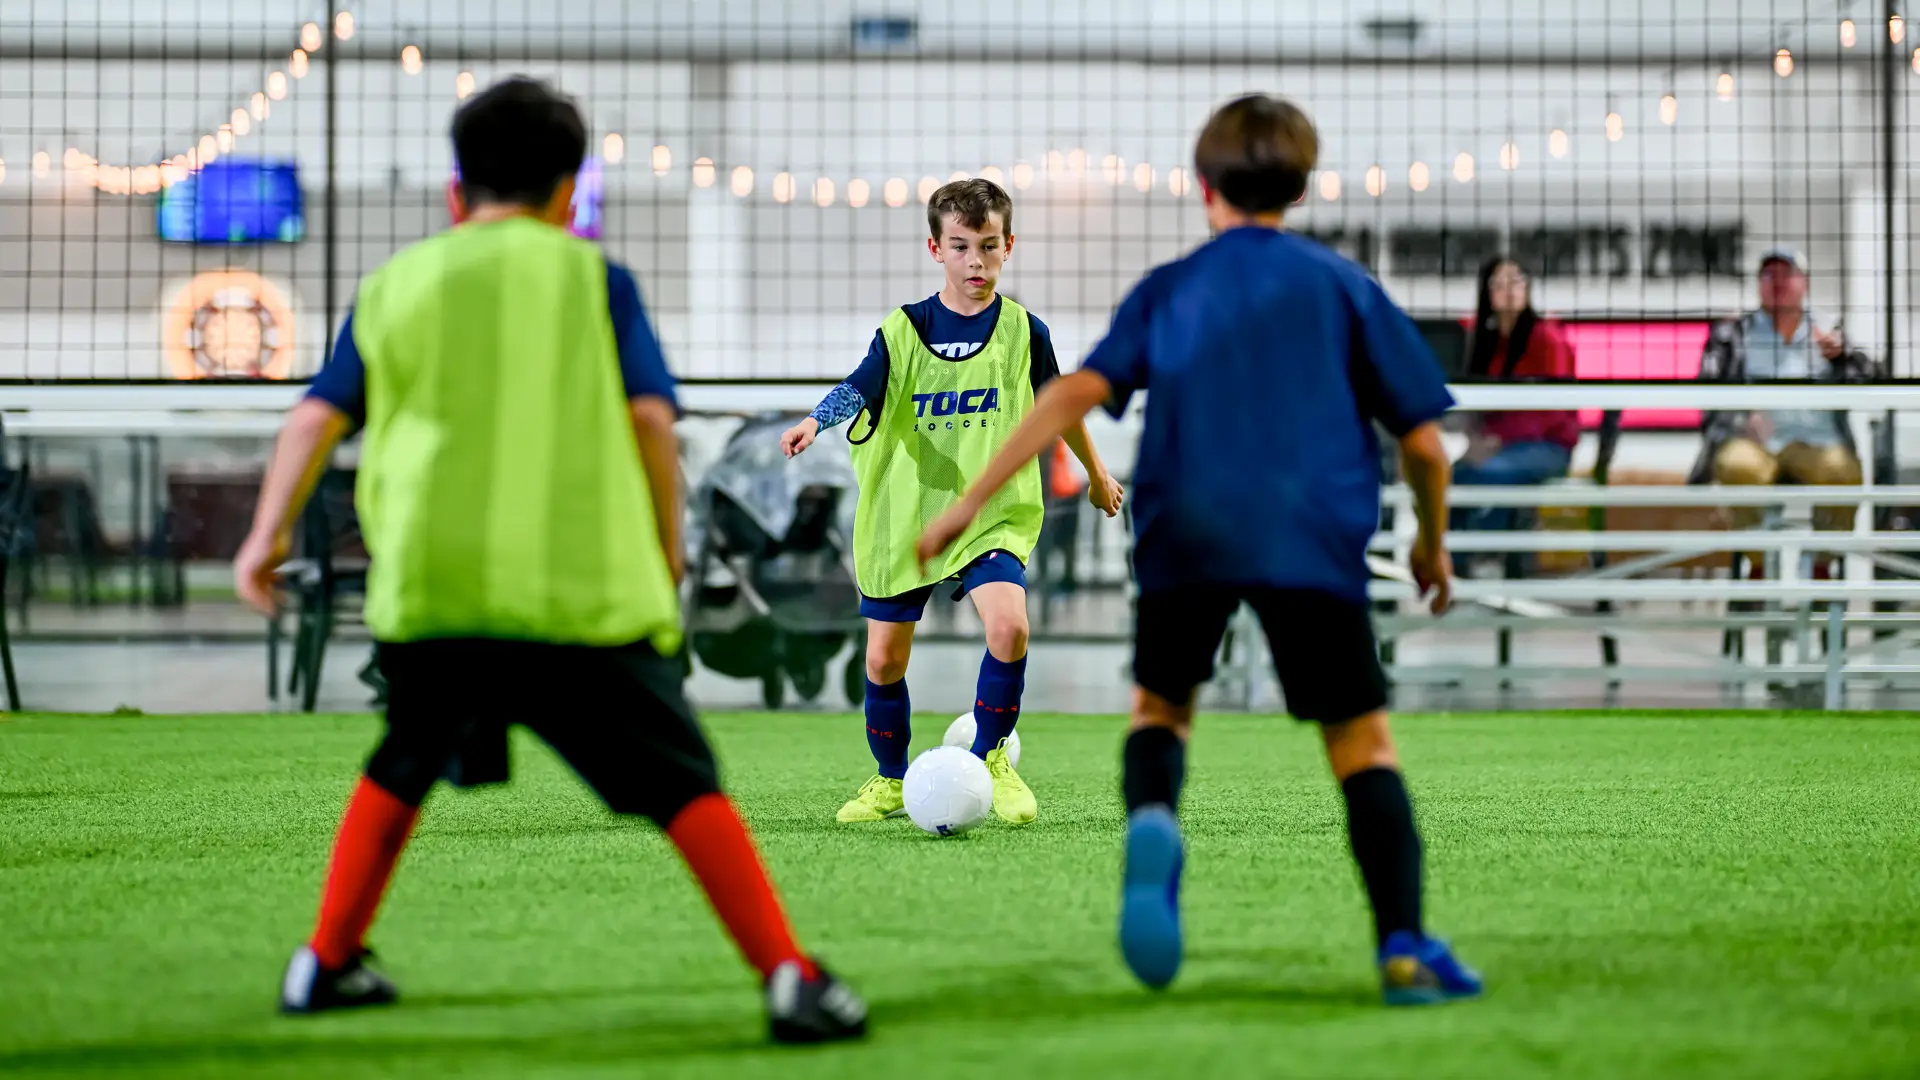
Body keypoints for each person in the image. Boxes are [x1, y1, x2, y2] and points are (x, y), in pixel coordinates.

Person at [233, 77, 865, 1044]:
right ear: (570, 193)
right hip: (579, 598)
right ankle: (787, 976)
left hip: (435, 595)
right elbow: (651, 419)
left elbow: (315, 414)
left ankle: (319, 964)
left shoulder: (395, 284)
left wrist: (265, 534)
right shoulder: (595, 281)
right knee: (682, 778)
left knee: (402, 763)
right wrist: (668, 548)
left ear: (456, 193)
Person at [915, 95, 1481, 1004]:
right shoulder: (1343, 287)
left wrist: (964, 507)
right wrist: (1432, 547)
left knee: (1161, 713)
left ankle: (1152, 823)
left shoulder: (1171, 287)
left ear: (1203, 186)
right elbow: (1421, 440)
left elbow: (1065, 398)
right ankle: (1405, 946)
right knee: (1361, 743)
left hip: (1188, 528)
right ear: (1299, 186)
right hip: (1309, 533)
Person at [780, 178, 1124, 827]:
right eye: (961, 247)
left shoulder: (1026, 332)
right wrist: (814, 422)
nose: (976, 262)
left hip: (989, 516)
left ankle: (993, 756)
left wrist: (1098, 474)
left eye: (989, 247)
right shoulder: (903, 331)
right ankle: (889, 780)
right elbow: (857, 389)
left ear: (1009, 246)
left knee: (1010, 626)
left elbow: (1062, 408)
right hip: (904, 519)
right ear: (935, 247)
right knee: (884, 659)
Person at [1693, 248, 1878, 571]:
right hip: (1758, 444)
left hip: (1818, 443)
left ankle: (1823, 567)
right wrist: (1741, 416)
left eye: (1786, 274)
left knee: (1844, 472)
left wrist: (1843, 355)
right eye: (1768, 274)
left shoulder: (1828, 328)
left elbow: (1874, 377)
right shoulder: (1733, 332)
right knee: (1736, 464)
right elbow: (1707, 393)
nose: (1777, 282)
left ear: (1803, 282)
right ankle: (1760, 565)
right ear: (1758, 283)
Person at [1452, 256, 1579, 556]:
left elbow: (1554, 411)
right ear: (1487, 292)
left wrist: (1499, 441)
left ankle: (1491, 560)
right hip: (1501, 447)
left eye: (1516, 281)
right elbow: (1477, 404)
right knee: (1450, 477)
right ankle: (1455, 570)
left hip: (1548, 447)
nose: (1509, 290)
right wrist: (1476, 439)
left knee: (1487, 475)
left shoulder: (1546, 337)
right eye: (1499, 283)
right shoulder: (1487, 342)